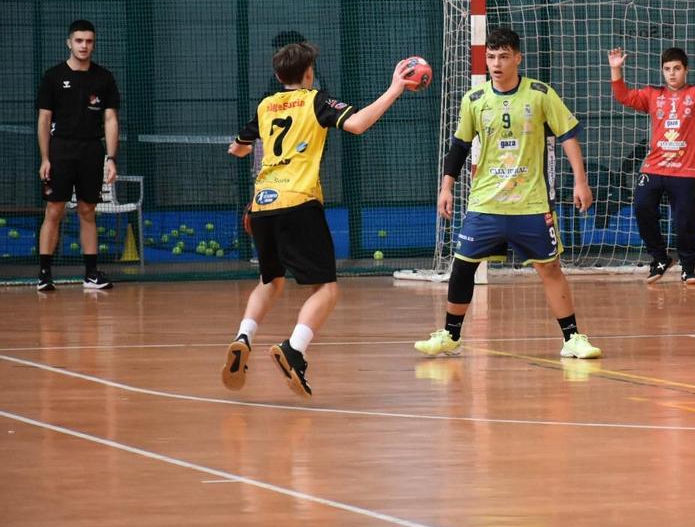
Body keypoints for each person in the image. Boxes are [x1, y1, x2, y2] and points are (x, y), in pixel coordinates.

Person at [222, 42, 420, 397]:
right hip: (298, 202)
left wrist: (249, 148)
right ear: (309, 73)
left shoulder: (266, 106)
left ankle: (243, 336)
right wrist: (395, 88)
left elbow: (238, 149)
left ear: (278, 75)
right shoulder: (317, 100)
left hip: (263, 204)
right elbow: (357, 124)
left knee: (270, 280)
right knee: (326, 288)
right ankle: (294, 349)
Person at [414, 27, 600, 360]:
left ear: (517, 58)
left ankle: (572, 338)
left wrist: (580, 181)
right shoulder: (475, 100)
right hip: (485, 202)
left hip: (530, 203)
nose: (496, 63)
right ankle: (450, 335)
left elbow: (568, 136)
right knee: (462, 266)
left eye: (503, 56)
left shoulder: (540, 94)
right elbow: (459, 146)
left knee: (550, 269)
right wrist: (446, 187)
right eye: (490, 57)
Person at [609, 45, 695, 284]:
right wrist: (616, 70)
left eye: (677, 68)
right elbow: (623, 96)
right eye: (667, 69)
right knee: (641, 207)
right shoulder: (652, 95)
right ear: (662, 72)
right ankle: (659, 258)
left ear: (685, 70)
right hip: (653, 168)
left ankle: (688, 268)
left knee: (684, 221)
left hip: (685, 171)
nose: (672, 73)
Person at [35, 19, 120, 292]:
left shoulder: (104, 78)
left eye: (89, 41)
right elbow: (44, 120)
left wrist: (111, 158)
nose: (84, 46)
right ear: (69, 42)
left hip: (91, 151)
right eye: (79, 40)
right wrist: (45, 158)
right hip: (60, 150)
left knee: (87, 210)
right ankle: (45, 274)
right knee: (54, 209)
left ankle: (91, 274)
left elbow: (110, 120)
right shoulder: (53, 76)